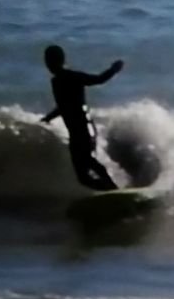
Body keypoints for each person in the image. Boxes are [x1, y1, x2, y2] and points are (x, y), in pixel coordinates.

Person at [41, 45, 123, 191]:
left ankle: (114, 189)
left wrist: (113, 70)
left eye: (50, 60)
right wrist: (48, 118)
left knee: (88, 161)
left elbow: (99, 79)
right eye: (46, 61)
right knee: (83, 177)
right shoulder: (56, 81)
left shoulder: (72, 76)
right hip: (74, 132)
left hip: (85, 128)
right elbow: (63, 106)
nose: (48, 64)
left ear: (59, 60)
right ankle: (109, 192)